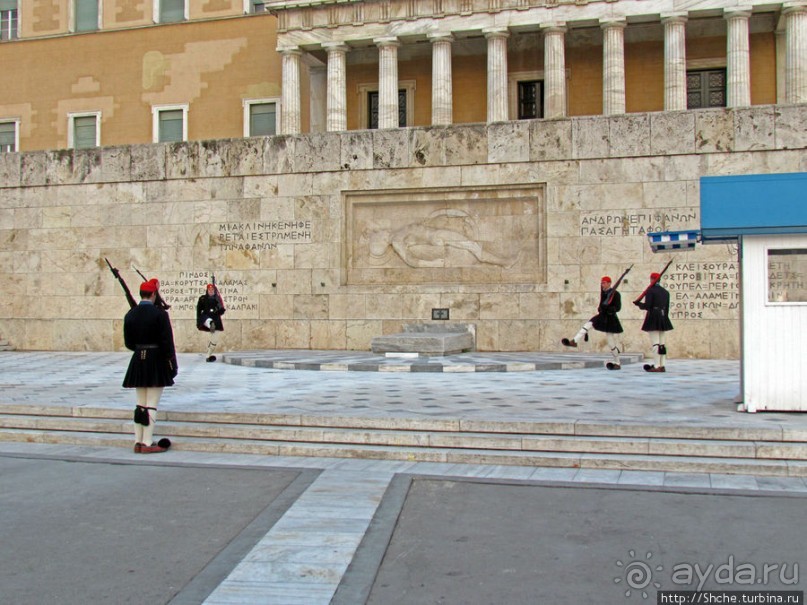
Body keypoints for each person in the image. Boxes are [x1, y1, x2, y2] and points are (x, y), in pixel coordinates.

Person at [122, 278, 177, 454]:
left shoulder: (130, 314)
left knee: (140, 403)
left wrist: (140, 349)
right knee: (151, 404)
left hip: (138, 358)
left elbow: (129, 343)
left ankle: (138, 441)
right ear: (153, 294)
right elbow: (167, 342)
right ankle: (147, 442)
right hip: (155, 359)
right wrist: (170, 361)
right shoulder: (160, 314)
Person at [562, 276, 624, 370]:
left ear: (609, 283)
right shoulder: (604, 293)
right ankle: (574, 341)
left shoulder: (616, 294)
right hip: (602, 316)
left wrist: (609, 308)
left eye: (604, 283)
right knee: (587, 325)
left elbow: (618, 308)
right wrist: (600, 308)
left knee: (611, 343)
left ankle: (617, 362)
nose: (602, 284)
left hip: (610, 318)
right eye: (601, 283)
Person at [634, 272, 674, 373]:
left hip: (653, 316)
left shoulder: (651, 291)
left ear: (652, 279)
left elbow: (648, 306)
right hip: (663, 316)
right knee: (662, 344)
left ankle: (656, 366)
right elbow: (667, 308)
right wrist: (664, 317)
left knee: (655, 344)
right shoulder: (665, 292)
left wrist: (639, 304)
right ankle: (662, 364)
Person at [196, 283, 225, 362]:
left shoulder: (217, 299)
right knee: (210, 321)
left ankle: (208, 355)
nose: (211, 291)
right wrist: (198, 321)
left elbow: (221, 311)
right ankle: (211, 324)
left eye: (212, 290)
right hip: (206, 318)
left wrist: (219, 308)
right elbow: (198, 310)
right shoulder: (202, 299)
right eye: (209, 290)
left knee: (214, 340)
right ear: (207, 290)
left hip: (216, 320)